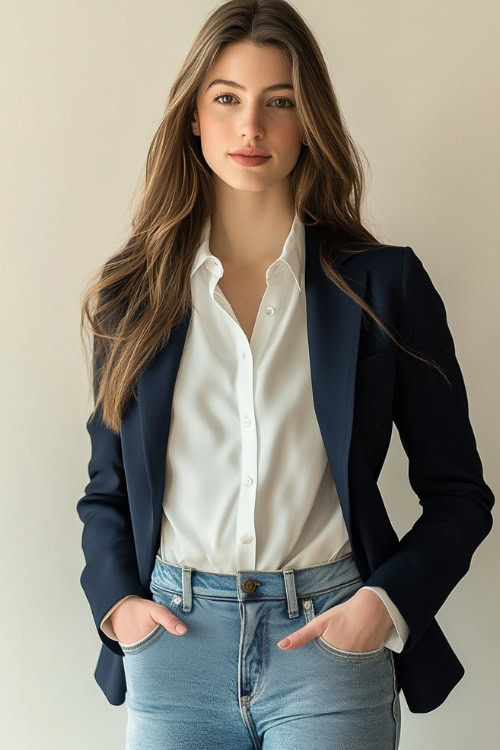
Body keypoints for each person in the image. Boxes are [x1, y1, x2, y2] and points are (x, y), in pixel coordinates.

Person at [76, 1, 495, 747]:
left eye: (281, 103)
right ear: (194, 119)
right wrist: (119, 610)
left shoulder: (383, 287)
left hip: (330, 643)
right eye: (228, 99)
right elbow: (107, 492)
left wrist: (384, 606)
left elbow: (460, 493)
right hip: (174, 647)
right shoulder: (131, 294)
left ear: (310, 123)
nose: (252, 128)